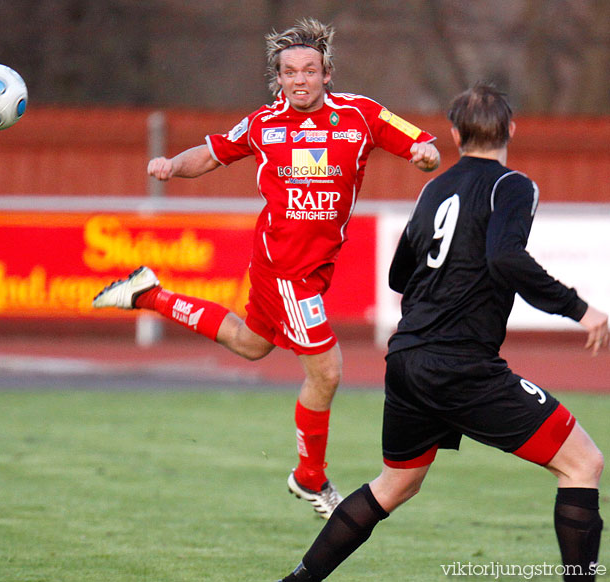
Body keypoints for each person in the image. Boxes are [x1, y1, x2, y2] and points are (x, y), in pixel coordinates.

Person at [92, 17, 440, 519]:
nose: (299, 80)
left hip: (309, 267)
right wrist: (171, 164)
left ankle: (150, 295)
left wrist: (423, 154)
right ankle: (310, 477)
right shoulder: (264, 124)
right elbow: (211, 153)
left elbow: (413, 140)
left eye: (309, 70)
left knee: (252, 345)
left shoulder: (360, 115)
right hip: (285, 268)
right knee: (327, 372)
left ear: (327, 74)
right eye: (289, 72)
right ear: (278, 78)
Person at [276, 82, 607, 580]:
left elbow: (397, 275)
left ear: (454, 134)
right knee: (583, 464)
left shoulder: (435, 188)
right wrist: (579, 308)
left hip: (407, 358)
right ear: (511, 129)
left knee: (395, 485)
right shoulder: (512, 185)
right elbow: (504, 258)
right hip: (461, 365)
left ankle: (295, 581)